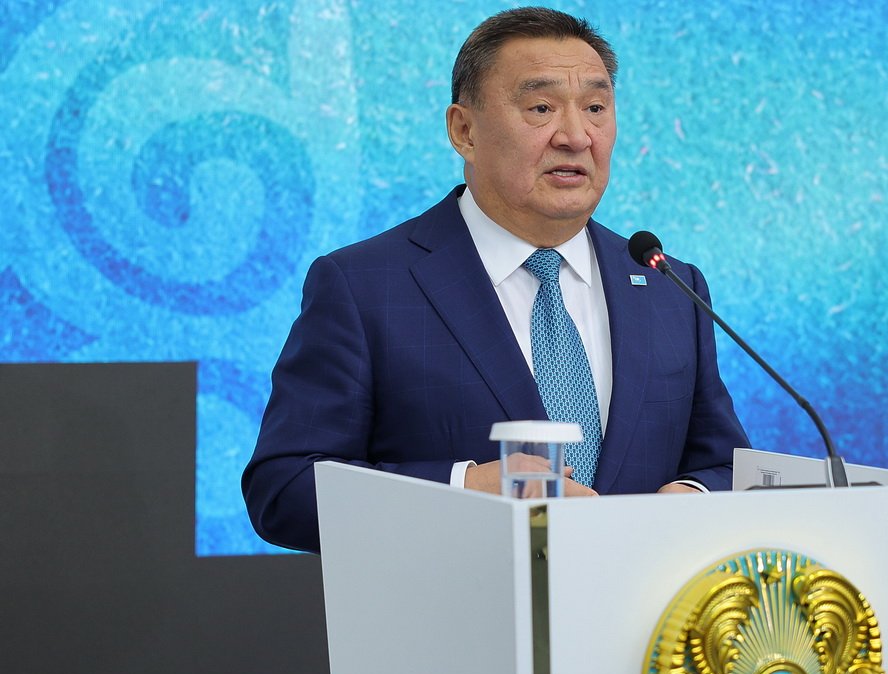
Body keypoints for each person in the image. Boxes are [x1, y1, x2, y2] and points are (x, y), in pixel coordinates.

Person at [243, 7, 750, 553]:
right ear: (464, 131)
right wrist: (461, 490)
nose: (576, 136)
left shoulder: (668, 285)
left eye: (596, 108)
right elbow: (285, 489)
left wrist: (692, 497)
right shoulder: (364, 286)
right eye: (541, 108)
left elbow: (724, 465)